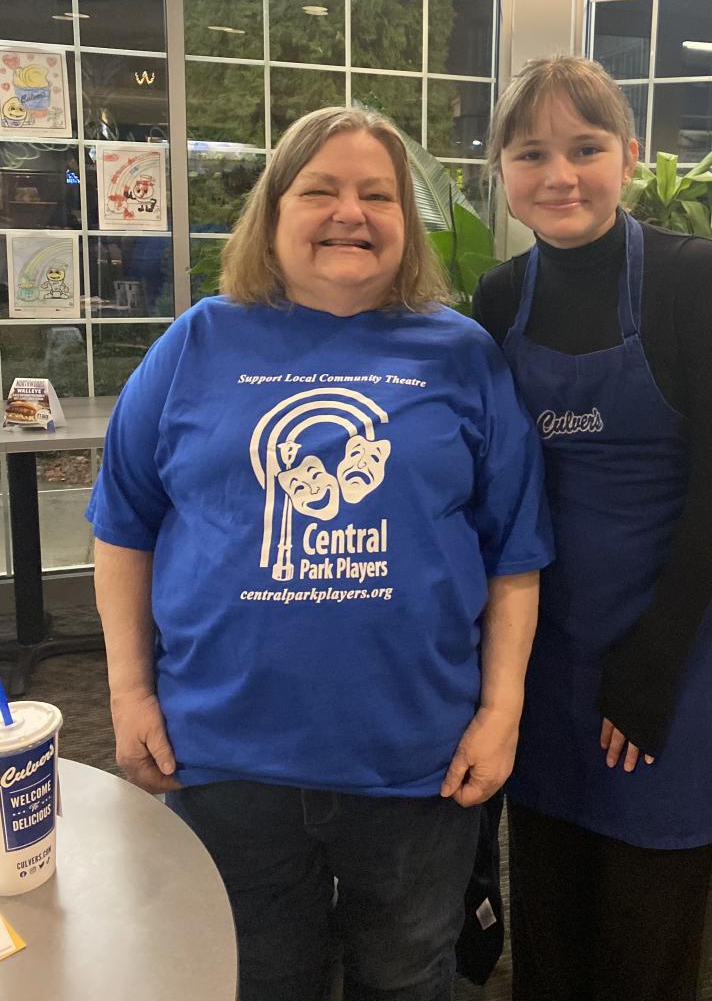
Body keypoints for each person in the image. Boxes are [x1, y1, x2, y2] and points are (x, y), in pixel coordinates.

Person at [87, 106, 552, 1001]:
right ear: (272, 213)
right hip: (225, 754)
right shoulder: (196, 343)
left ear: (406, 221)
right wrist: (129, 692)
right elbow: (123, 528)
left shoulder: (462, 356)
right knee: (259, 976)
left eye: (378, 194)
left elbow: (514, 555)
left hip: (415, 757)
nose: (351, 213)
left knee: (406, 975)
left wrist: (501, 711)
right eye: (320, 191)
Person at [472, 57, 712, 1001]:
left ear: (628, 157)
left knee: (648, 934)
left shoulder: (696, 280)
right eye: (532, 153)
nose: (560, 175)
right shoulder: (499, 298)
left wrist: (654, 661)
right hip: (547, 646)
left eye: (585, 148)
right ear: (501, 171)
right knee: (549, 920)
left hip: (676, 640)